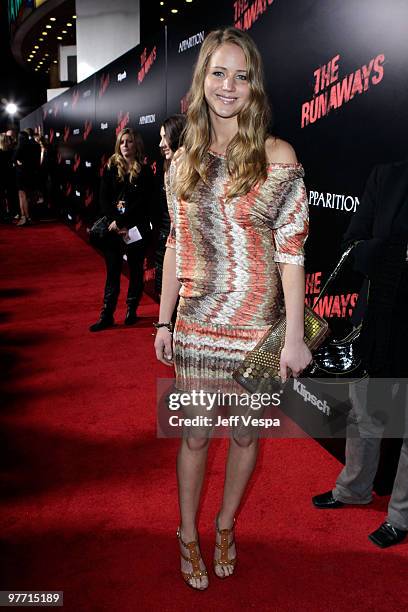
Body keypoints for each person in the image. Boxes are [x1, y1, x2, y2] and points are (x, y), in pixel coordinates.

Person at [154, 27, 311, 590]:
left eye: (241, 75)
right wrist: (165, 318)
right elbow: (176, 243)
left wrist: (294, 336)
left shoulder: (278, 156)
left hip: (258, 327)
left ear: (254, 86)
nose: (229, 85)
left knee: (245, 436)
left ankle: (223, 526)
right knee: (195, 436)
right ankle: (186, 534)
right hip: (197, 321)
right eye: (218, 73)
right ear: (202, 81)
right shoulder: (181, 162)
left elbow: (291, 253)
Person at [312, 160, 408, 548]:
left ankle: (401, 515)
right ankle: (354, 489)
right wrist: (395, 256)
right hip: (378, 322)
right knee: (365, 411)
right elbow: (352, 241)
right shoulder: (387, 175)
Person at [89, 128, 156, 332]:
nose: (125, 145)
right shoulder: (110, 167)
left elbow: (144, 203)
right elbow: (103, 198)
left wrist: (124, 222)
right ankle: (107, 314)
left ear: (136, 145)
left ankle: (131, 311)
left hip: (134, 228)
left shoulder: (144, 171)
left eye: (129, 141)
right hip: (113, 228)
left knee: (136, 269)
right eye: (122, 142)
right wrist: (115, 222)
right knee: (113, 271)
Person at [155, 114, 186, 295]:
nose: (161, 144)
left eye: (165, 137)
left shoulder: (194, 169)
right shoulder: (169, 168)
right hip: (174, 245)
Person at [13, 129, 41, 226]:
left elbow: (14, 160)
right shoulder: (36, 145)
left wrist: (19, 164)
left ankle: (25, 217)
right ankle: (31, 216)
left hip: (21, 173)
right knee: (32, 195)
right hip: (33, 173)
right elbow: (38, 161)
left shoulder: (19, 146)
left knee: (22, 196)